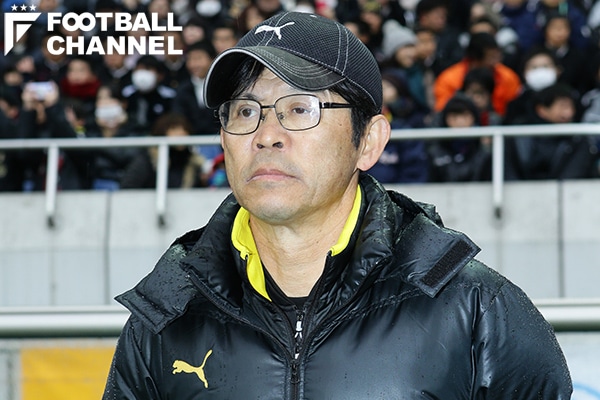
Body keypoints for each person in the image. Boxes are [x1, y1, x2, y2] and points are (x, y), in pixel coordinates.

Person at [103, 12, 572, 399]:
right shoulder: (166, 318)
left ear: (369, 142)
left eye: (300, 108)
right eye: (245, 111)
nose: (266, 135)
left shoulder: (473, 308)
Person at [433, 31, 521, 117]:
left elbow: (516, 111)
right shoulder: (448, 79)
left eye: (496, 57)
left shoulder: (508, 77)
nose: (495, 63)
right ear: (475, 60)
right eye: (490, 58)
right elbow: (442, 113)